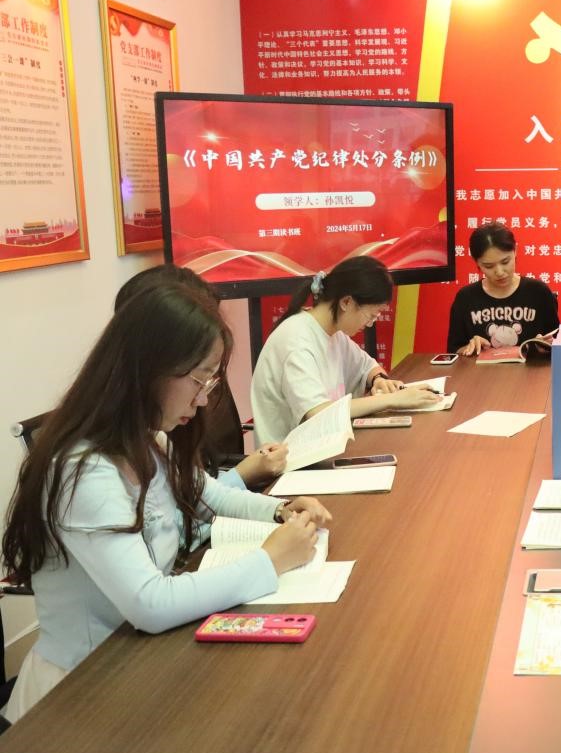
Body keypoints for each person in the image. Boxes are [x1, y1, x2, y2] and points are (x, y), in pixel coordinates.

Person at [1, 285, 330, 722]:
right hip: (78, 692)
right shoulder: (84, 472)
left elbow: (208, 494)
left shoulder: (149, 440)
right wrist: (270, 560)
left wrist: (279, 510)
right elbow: (150, 603)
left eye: (210, 381)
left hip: (136, 662)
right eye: (198, 379)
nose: (203, 398)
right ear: (149, 369)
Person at [115, 264, 286, 488]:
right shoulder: (107, 460)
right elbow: (189, 500)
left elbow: (194, 493)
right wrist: (244, 473)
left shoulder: (160, 432)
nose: (203, 398)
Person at [251, 256, 440, 443]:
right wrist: (394, 399)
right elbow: (319, 414)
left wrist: (378, 379)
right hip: (291, 457)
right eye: (370, 316)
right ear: (346, 302)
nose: (370, 324)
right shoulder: (296, 341)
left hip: (326, 445)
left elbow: (367, 366)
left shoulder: (333, 332)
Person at [446, 222, 559, 356]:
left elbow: (558, 343)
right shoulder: (465, 298)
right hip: (482, 370)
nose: (499, 272)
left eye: (505, 262)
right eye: (489, 266)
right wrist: (469, 348)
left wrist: (547, 345)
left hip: (530, 369)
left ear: (515, 251)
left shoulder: (538, 292)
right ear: (477, 263)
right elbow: (454, 351)